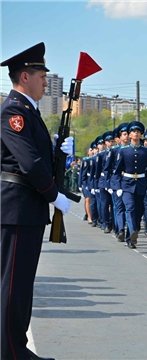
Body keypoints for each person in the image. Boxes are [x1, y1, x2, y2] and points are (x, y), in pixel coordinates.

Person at [1, 42, 72, 360]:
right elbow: (28, 164)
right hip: (17, 207)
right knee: (13, 285)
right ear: (25, 76)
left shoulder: (27, 109)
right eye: (42, 74)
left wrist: (59, 150)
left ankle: (16, 348)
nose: (46, 81)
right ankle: (11, 352)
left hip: (25, 208)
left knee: (21, 284)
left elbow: (37, 157)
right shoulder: (14, 111)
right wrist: (55, 196)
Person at [113, 121, 147, 248]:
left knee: (138, 211)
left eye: (138, 132)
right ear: (129, 135)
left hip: (141, 184)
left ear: (141, 134)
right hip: (127, 184)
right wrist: (117, 187)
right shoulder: (124, 151)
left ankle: (130, 236)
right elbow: (117, 171)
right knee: (130, 208)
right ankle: (132, 233)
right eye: (133, 131)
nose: (136, 133)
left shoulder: (146, 152)